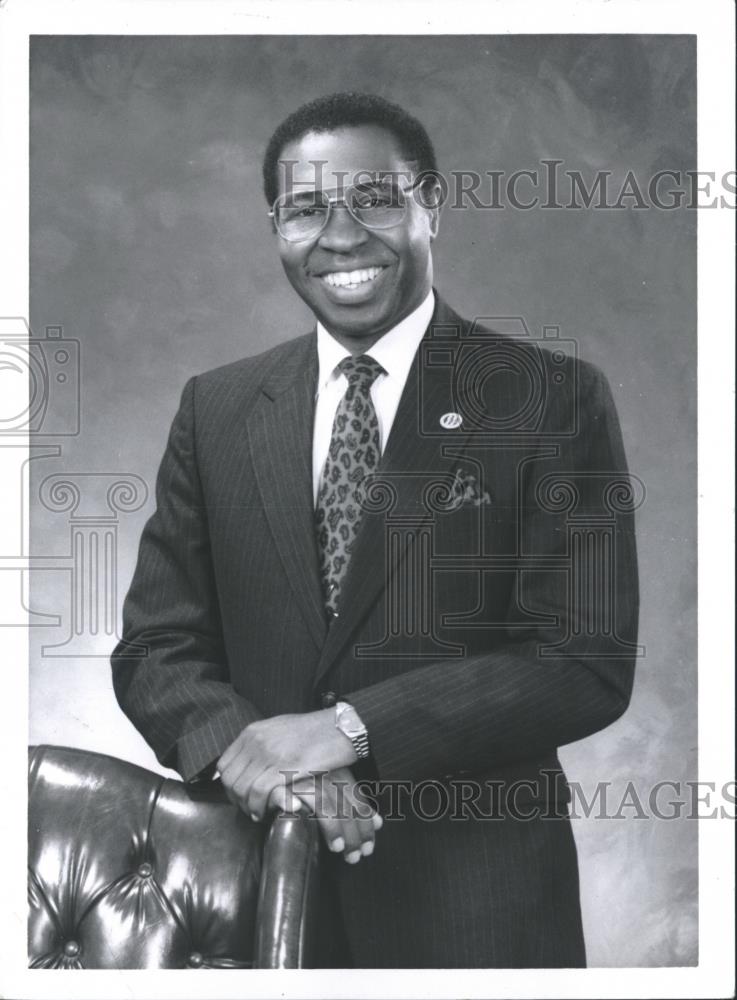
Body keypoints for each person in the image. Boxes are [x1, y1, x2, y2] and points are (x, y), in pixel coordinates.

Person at [112, 92, 639, 968]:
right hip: (251, 895)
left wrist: (349, 729)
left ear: (431, 205)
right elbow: (156, 647)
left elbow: (581, 660)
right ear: (275, 226)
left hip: (476, 913)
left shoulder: (549, 399)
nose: (342, 235)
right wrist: (273, 767)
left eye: (376, 199)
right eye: (307, 208)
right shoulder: (219, 407)